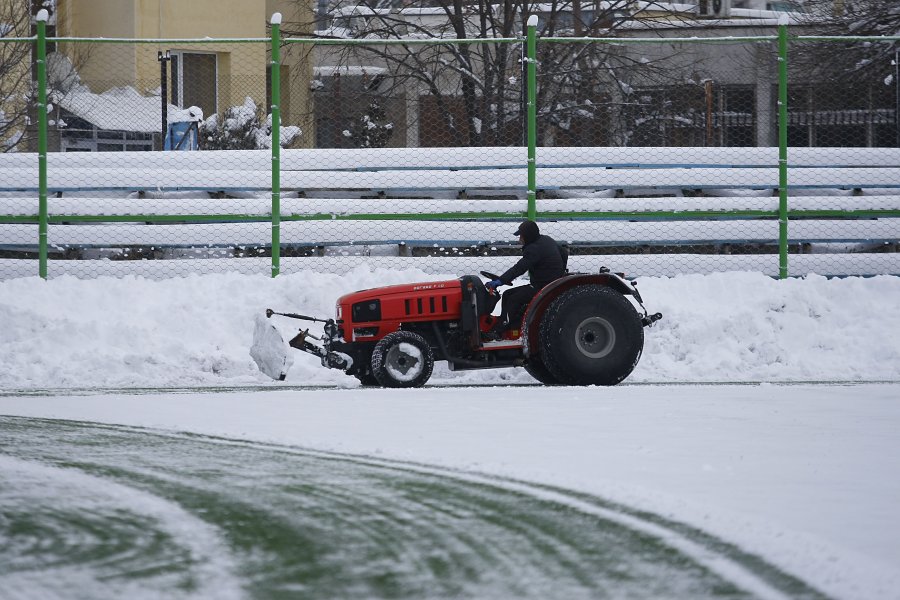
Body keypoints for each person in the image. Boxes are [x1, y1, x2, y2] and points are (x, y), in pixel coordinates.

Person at [485, 220, 567, 338]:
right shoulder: (546, 239)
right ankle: (512, 324)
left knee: (512, 298)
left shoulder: (534, 249)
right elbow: (564, 252)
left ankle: (499, 329)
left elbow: (519, 268)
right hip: (550, 284)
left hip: (542, 287)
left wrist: (499, 281)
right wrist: (561, 272)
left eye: (521, 237)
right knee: (508, 294)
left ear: (528, 236)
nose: (519, 240)